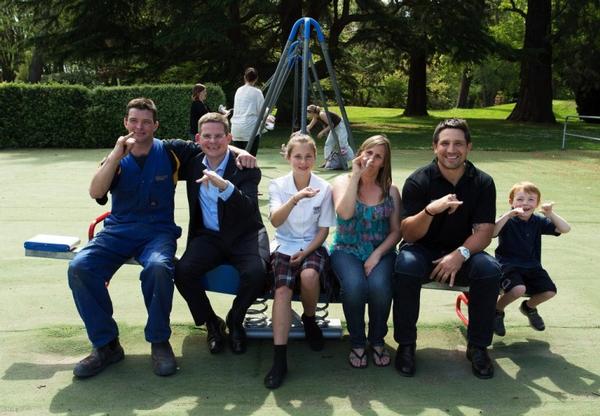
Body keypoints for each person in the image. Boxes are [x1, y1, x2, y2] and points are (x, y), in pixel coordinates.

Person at [67, 98, 255, 379]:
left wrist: (241, 151)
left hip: (158, 232)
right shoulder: (116, 157)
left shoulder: (171, 152)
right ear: (125, 123)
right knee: (80, 267)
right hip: (118, 231)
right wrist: (116, 154)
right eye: (133, 121)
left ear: (155, 125)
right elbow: (96, 192)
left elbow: (212, 143)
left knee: (158, 268)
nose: (139, 127)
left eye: (145, 122)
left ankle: (159, 341)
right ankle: (106, 345)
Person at [392, 118, 502, 379]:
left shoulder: (483, 182)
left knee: (489, 270)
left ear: (469, 147)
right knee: (405, 265)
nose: (451, 149)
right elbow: (408, 232)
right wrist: (432, 209)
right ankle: (406, 344)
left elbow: (485, 232)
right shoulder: (418, 180)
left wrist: (459, 254)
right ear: (434, 147)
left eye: (458, 144)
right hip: (422, 251)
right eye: (445, 143)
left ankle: (477, 346)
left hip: (464, 252)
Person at [174, 112, 270, 356]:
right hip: (209, 236)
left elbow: (249, 209)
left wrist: (224, 186)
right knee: (183, 272)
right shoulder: (192, 161)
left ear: (229, 138)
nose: (213, 141)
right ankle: (212, 324)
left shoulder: (245, 166)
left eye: (219, 136)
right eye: (207, 136)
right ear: (198, 138)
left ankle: (235, 320)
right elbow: (158, 144)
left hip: (245, 234)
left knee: (257, 273)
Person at [263, 134, 336, 389]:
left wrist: (305, 253)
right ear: (288, 157)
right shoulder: (278, 185)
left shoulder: (325, 188)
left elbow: (324, 230)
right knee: (282, 290)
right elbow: (275, 221)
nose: (303, 162)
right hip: (283, 244)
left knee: (308, 276)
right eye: (297, 156)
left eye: (308, 157)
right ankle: (279, 358)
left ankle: (308, 318)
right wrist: (295, 198)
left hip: (312, 246)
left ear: (315, 158)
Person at [330, 135, 402, 369]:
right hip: (346, 249)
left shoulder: (391, 190)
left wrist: (377, 254)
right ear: (360, 153)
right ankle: (358, 342)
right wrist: (356, 176)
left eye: (378, 156)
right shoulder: (343, 181)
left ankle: (377, 340)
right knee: (355, 287)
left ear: (384, 162)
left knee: (380, 287)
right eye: (368, 152)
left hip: (380, 250)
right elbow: (345, 214)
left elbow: (396, 231)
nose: (371, 159)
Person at [493, 181, 571, 336]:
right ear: (511, 202)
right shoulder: (507, 219)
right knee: (518, 289)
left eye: (531, 200)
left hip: (532, 266)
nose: (525, 203)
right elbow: (492, 233)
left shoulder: (537, 221)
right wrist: (507, 215)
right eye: (520, 199)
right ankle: (497, 311)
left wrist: (549, 214)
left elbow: (565, 229)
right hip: (508, 265)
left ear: (537, 204)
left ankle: (529, 307)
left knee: (549, 291)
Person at [306, 104, 354, 170]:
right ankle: (327, 161)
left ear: (312, 112)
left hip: (340, 125)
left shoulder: (322, 114)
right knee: (328, 144)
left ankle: (354, 160)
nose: (308, 114)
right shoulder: (316, 116)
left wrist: (322, 132)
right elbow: (309, 126)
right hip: (334, 127)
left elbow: (331, 124)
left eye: (308, 112)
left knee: (343, 144)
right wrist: (302, 130)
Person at [230, 67, 265, 156]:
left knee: (238, 160)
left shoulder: (238, 90)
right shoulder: (257, 92)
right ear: (256, 79)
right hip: (250, 130)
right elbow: (262, 111)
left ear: (245, 77)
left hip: (236, 129)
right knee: (250, 159)